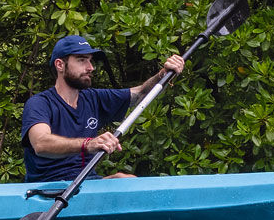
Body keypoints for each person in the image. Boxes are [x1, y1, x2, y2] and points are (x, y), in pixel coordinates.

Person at [21, 35, 185, 183]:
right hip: (48, 189)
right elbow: (41, 144)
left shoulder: (93, 98)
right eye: (81, 60)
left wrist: (162, 75)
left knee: (127, 181)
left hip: (86, 184)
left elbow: (141, 92)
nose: (90, 67)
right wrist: (88, 144)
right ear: (60, 65)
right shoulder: (40, 103)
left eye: (90, 60)